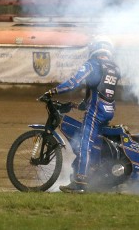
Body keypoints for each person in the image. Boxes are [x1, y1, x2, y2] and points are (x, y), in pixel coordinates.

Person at [43, 37, 122, 194]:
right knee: (96, 143)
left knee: (85, 143)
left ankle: (80, 180)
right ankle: (95, 174)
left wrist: (53, 91)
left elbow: (73, 82)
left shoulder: (93, 64)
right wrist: (78, 106)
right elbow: (99, 89)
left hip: (96, 110)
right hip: (108, 109)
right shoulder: (113, 67)